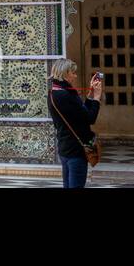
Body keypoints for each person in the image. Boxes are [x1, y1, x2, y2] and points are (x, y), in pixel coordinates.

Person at [49, 59, 103, 189]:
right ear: (65, 73)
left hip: (65, 148)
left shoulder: (53, 93)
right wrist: (97, 98)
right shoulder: (66, 95)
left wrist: (89, 96)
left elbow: (79, 115)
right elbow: (90, 118)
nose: (75, 76)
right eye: (73, 73)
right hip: (76, 150)